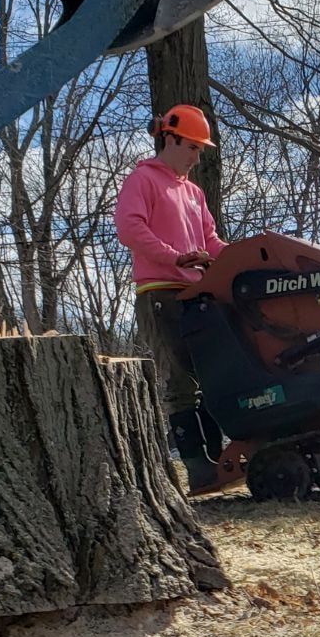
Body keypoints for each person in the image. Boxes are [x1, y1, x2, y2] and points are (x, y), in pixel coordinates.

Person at [113, 104, 225, 493]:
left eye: (200, 150)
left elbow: (210, 241)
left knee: (211, 373)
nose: (196, 157)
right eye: (192, 148)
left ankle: (218, 460)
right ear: (169, 138)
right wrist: (174, 257)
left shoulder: (194, 192)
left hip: (196, 293)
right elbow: (129, 228)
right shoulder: (142, 180)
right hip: (159, 293)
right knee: (180, 380)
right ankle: (196, 468)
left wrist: (245, 255)